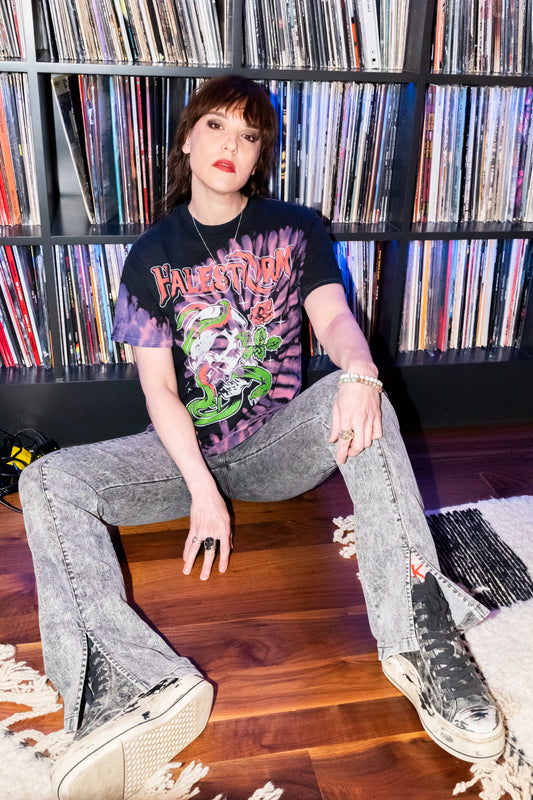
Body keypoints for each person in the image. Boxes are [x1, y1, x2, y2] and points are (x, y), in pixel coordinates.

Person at [19, 75, 504, 800]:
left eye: (248, 136)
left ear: (258, 156)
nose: (231, 145)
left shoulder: (296, 229)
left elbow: (331, 315)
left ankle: (418, 636)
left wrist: (361, 370)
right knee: (45, 479)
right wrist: (200, 489)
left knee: (358, 394)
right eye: (216, 126)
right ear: (187, 140)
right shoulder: (150, 255)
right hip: (182, 453)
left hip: (273, 444)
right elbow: (158, 391)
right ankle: (128, 683)